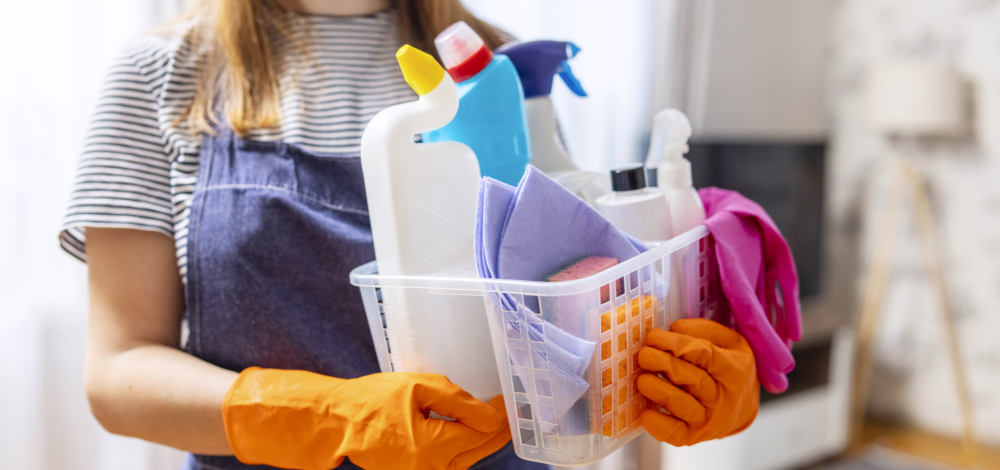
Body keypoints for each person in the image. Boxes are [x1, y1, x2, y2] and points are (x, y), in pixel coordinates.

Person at [62, 0, 762, 469]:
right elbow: (118, 372)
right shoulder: (161, 78)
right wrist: (326, 417)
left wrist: (666, 370)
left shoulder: (505, 71)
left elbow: (559, 299)